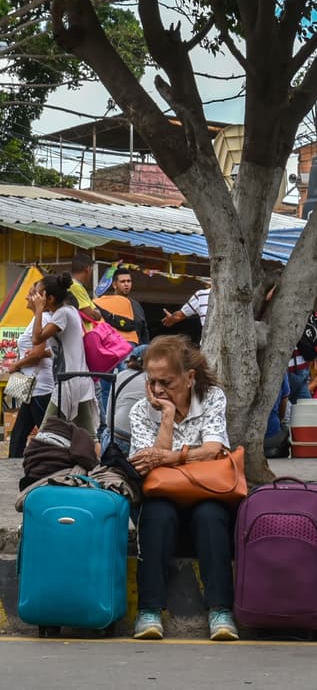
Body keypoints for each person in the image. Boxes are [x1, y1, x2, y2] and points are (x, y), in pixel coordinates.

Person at [129, 335, 238, 642]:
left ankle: (221, 610)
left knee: (211, 515)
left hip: (205, 492)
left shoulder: (212, 397)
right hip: (163, 498)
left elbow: (216, 449)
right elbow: (145, 465)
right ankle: (148, 611)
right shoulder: (141, 411)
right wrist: (165, 417)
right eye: (153, 382)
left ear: (189, 378)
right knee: (156, 513)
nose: (159, 389)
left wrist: (170, 458)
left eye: (167, 381)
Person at [28, 273, 98, 439]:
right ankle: (94, 462)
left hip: (69, 383)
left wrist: (38, 311)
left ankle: (40, 461)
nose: (35, 298)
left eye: (39, 295)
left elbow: (37, 338)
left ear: (50, 298)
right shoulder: (69, 311)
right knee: (88, 435)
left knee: (45, 434)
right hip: (77, 380)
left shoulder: (63, 314)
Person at [7, 283, 55, 458]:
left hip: (39, 386)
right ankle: (14, 463)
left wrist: (17, 365)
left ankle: (55, 463)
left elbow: (38, 353)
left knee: (47, 435)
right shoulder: (37, 319)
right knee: (18, 435)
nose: (27, 298)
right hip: (31, 388)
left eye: (30, 294)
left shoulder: (43, 319)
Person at [94, 265, 150, 350]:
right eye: (123, 281)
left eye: (129, 281)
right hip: (111, 346)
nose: (126, 284)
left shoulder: (136, 305)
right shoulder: (105, 301)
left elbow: (143, 330)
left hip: (132, 347)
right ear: (114, 285)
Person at [68, 251, 103, 322]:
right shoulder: (75, 286)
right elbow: (92, 316)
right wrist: (96, 312)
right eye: (91, 270)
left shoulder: (77, 286)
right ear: (88, 269)